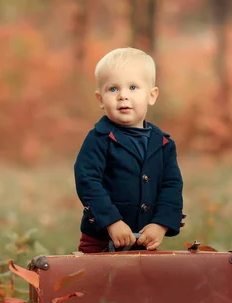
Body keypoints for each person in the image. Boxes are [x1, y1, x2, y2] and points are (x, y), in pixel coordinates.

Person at [73, 47, 184, 253]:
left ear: (151, 95)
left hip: (144, 239)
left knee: (138, 284)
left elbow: (172, 187)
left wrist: (161, 224)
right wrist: (111, 221)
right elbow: (87, 181)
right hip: (100, 240)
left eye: (133, 87)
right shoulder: (99, 138)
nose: (123, 95)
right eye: (113, 89)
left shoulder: (163, 144)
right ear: (100, 99)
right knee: (95, 283)